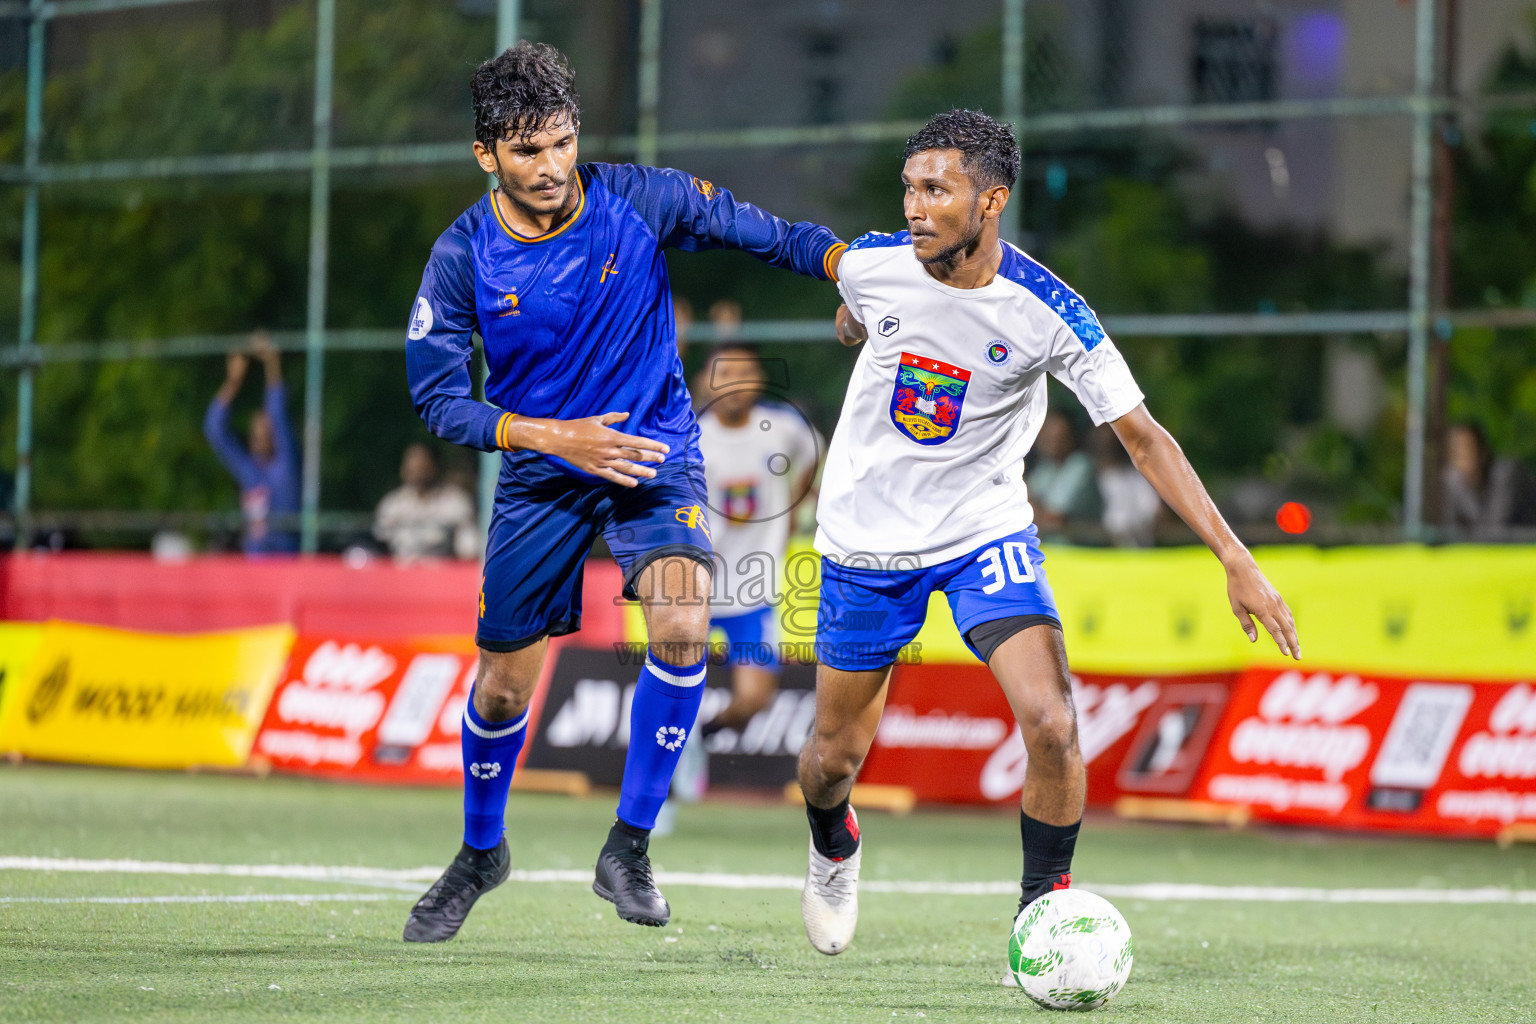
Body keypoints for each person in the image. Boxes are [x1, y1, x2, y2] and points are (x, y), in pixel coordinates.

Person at [797, 109, 1299, 956]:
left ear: (989, 201)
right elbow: (856, 312)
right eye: (910, 188)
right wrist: (857, 320)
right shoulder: (881, 264)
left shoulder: (1048, 308)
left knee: (1056, 724)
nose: (916, 206)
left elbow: (1144, 438)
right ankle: (833, 846)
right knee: (829, 760)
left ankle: (1042, 918)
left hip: (983, 532)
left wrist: (1233, 555)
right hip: (864, 540)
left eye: (937, 190)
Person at [401, 41, 845, 941]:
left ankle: (629, 846)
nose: (554, 166)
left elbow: (770, 234)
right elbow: (436, 395)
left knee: (684, 616)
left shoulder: (638, 199)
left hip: (653, 458)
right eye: (528, 151)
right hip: (539, 477)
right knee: (500, 690)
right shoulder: (462, 257)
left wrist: (855, 274)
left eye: (563, 141)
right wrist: (549, 436)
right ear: (486, 155)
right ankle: (482, 851)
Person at [676, 345, 821, 796]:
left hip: (755, 590)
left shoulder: (785, 429)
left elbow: (812, 461)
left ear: (759, 379)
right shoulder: (693, 437)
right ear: (707, 381)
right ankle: (666, 766)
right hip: (696, 585)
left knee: (755, 700)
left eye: (745, 371)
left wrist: (793, 506)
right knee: (674, 689)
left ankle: (699, 738)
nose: (735, 382)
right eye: (725, 372)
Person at [203, 331, 300, 555]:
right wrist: (233, 381)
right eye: (256, 433)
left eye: (266, 431)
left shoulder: (285, 464)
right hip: (254, 570)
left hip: (286, 568)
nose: (260, 437)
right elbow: (215, 429)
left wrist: (272, 362)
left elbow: (277, 411)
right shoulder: (250, 470)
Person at [373, 443, 479, 562]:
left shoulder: (455, 502)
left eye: (421, 466)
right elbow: (378, 545)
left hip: (442, 574)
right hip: (399, 573)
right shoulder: (392, 504)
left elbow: (469, 549)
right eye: (411, 467)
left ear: (434, 466)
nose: (416, 470)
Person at [1442, 423, 1536, 539]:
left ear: (1482, 452)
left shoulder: (1506, 474)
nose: (1463, 457)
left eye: (1468, 449)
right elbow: (1450, 532)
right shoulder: (1454, 480)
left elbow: (1495, 531)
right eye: (1457, 453)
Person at [1026, 411, 1099, 537]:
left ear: (1070, 437)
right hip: (1058, 544)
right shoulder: (1045, 467)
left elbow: (1054, 518)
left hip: (1088, 544)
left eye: (1059, 436)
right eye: (1047, 436)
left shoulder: (1080, 464)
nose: (1053, 442)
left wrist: (1033, 508)